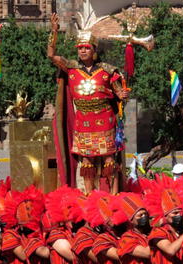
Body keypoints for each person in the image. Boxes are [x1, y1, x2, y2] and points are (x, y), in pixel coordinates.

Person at [48, 13, 129, 194]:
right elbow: (51, 55)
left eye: (86, 48)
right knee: (87, 162)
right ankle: (89, 195)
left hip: (105, 118)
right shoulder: (71, 68)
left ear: (94, 50)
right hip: (83, 121)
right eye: (80, 48)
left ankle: (113, 195)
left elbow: (119, 95)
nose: (82, 51)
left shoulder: (108, 71)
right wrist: (54, 32)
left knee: (109, 160)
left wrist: (123, 95)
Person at [140, 175, 183, 263]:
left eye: (180, 212)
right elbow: (170, 250)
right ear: (165, 216)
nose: (179, 215)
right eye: (175, 213)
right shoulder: (158, 232)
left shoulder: (179, 231)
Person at [114, 193, 151, 263]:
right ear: (131, 220)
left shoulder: (151, 232)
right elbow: (148, 253)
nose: (144, 217)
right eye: (140, 215)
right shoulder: (126, 238)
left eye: (145, 214)